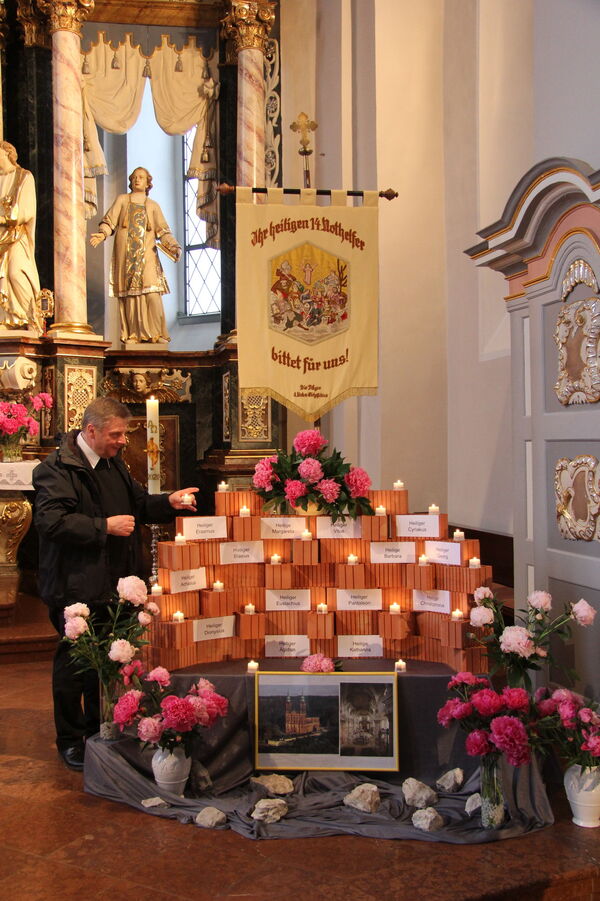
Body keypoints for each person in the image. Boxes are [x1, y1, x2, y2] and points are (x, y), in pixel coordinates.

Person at [32, 396, 198, 771]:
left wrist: (167, 502)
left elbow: (138, 505)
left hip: (113, 583)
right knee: (74, 668)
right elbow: (50, 523)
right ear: (91, 431)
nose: (124, 440)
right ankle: (71, 740)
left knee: (103, 666)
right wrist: (103, 526)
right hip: (73, 586)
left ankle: (96, 729)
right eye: (117, 433)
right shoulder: (55, 469)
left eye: (124, 433)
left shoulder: (113, 464)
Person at [90, 167, 181, 344]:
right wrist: (102, 233)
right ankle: (132, 334)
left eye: (141, 177)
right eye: (134, 177)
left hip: (147, 256)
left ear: (148, 182)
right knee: (131, 296)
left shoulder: (153, 206)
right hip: (127, 257)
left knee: (152, 294)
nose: (137, 180)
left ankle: (157, 334)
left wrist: (174, 245)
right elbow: (110, 221)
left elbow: (163, 231)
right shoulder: (122, 200)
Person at [0, 140, 42, 334]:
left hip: (16, 235)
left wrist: (6, 218)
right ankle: (7, 318)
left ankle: (30, 316)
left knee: (16, 272)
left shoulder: (24, 176)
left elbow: (25, 210)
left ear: (8, 154)